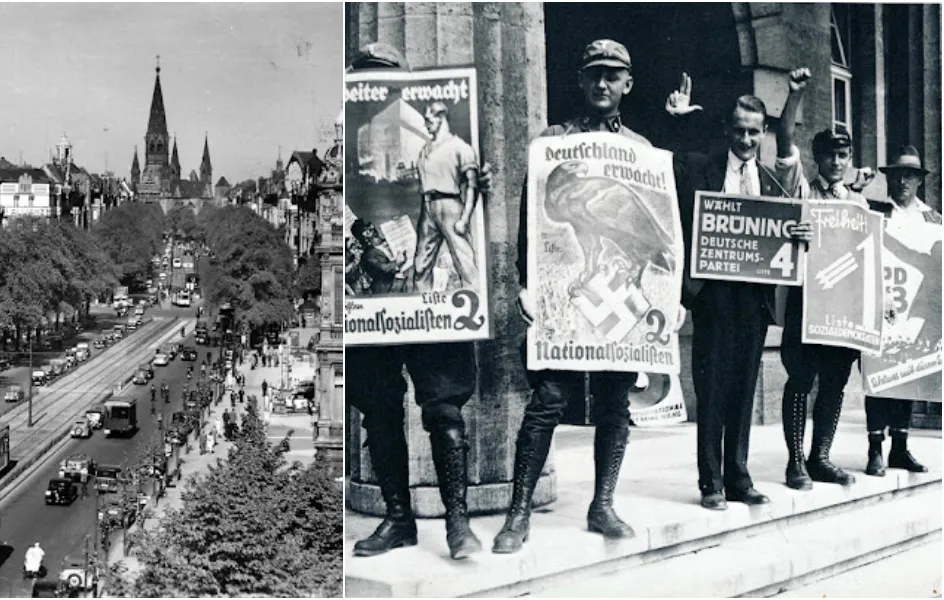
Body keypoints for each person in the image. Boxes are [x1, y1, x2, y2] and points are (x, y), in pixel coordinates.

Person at [496, 39, 663, 553]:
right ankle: (518, 511)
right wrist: (526, 284)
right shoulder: (553, 143)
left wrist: (663, 292)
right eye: (594, 74)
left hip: (616, 290)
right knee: (547, 399)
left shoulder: (640, 149)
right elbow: (532, 220)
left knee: (615, 402)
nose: (602, 84)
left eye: (613, 75)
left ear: (627, 84)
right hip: (564, 295)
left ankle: (603, 504)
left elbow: (660, 225)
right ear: (580, 79)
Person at [349, 42, 481, 561]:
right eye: (363, 77)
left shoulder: (434, 137)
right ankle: (399, 518)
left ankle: (457, 522)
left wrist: (479, 186)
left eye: (382, 77)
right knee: (379, 409)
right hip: (374, 297)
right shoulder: (352, 139)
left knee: (444, 405)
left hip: (426, 291)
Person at [665, 69, 814, 510]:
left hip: (753, 298)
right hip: (712, 295)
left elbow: (789, 227)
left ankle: (739, 478)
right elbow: (667, 166)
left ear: (763, 133)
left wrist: (800, 231)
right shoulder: (701, 168)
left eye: (754, 132)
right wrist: (675, 120)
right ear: (728, 130)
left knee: (744, 390)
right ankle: (710, 481)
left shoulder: (770, 182)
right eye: (739, 131)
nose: (746, 140)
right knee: (711, 390)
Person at [778, 115, 875, 490]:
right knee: (801, 379)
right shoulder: (805, 193)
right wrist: (794, 230)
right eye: (830, 155)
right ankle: (796, 461)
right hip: (807, 303)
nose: (837, 161)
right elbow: (782, 229)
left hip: (843, 308)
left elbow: (867, 252)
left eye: (843, 154)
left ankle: (820, 457)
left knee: (834, 383)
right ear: (817, 158)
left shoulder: (858, 201)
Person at [863, 145, 939, 477]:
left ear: (919, 180)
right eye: (896, 176)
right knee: (878, 375)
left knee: (908, 372)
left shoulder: (933, 219)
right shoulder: (874, 212)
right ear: (888, 179)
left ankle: (900, 447)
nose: (903, 182)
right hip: (881, 305)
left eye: (909, 175)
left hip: (915, 310)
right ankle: (875, 448)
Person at [412, 101, 480, 292]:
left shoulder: (460, 147)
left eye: (428, 120)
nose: (425, 125)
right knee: (420, 266)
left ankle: (474, 304)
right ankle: (421, 309)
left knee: (465, 263)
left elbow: (472, 185)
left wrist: (465, 219)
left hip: (450, 206)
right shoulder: (425, 149)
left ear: (441, 117)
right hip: (427, 206)